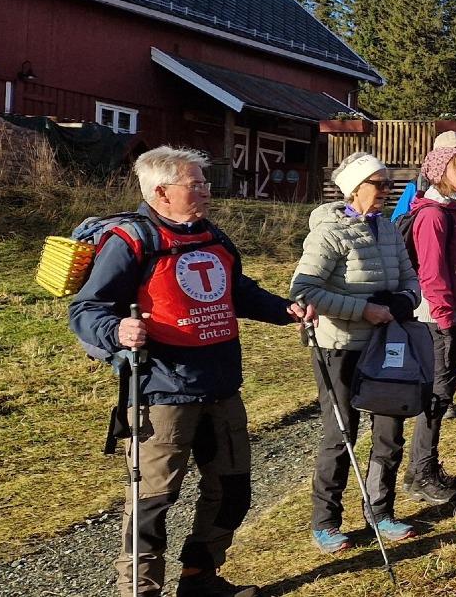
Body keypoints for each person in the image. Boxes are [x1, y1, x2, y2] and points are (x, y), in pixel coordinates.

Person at [69, 146, 310, 597]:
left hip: (221, 386)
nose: (206, 189)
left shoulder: (212, 236)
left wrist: (286, 310)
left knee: (232, 490)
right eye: (195, 183)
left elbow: (238, 291)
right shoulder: (131, 241)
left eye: (204, 181)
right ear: (161, 191)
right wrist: (117, 328)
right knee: (152, 504)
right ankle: (140, 591)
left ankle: (200, 578)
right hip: (163, 393)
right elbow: (85, 311)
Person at [291, 152, 423, 554]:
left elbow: (411, 280)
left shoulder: (386, 228)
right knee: (341, 433)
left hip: (385, 345)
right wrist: (363, 309)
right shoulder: (328, 232)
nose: (387, 191)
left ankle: (380, 512)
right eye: (379, 184)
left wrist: (400, 303)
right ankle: (326, 521)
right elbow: (304, 289)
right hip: (339, 346)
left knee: (390, 429)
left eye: (389, 184)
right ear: (353, 188)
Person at [401, 145, 456, 505]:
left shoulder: (455, 211)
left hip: (454, 313)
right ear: (439, 175)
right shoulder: (434, 216)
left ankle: (426, 467)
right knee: (436, 397)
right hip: (437, 318)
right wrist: (448, 323)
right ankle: (420, 474)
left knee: (444, 391)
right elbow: (432, 274)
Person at [391, 131, 456, 292]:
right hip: (424, 268)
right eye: (448, 153)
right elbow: (398, 223)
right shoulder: (418, 186)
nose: (453, 157)